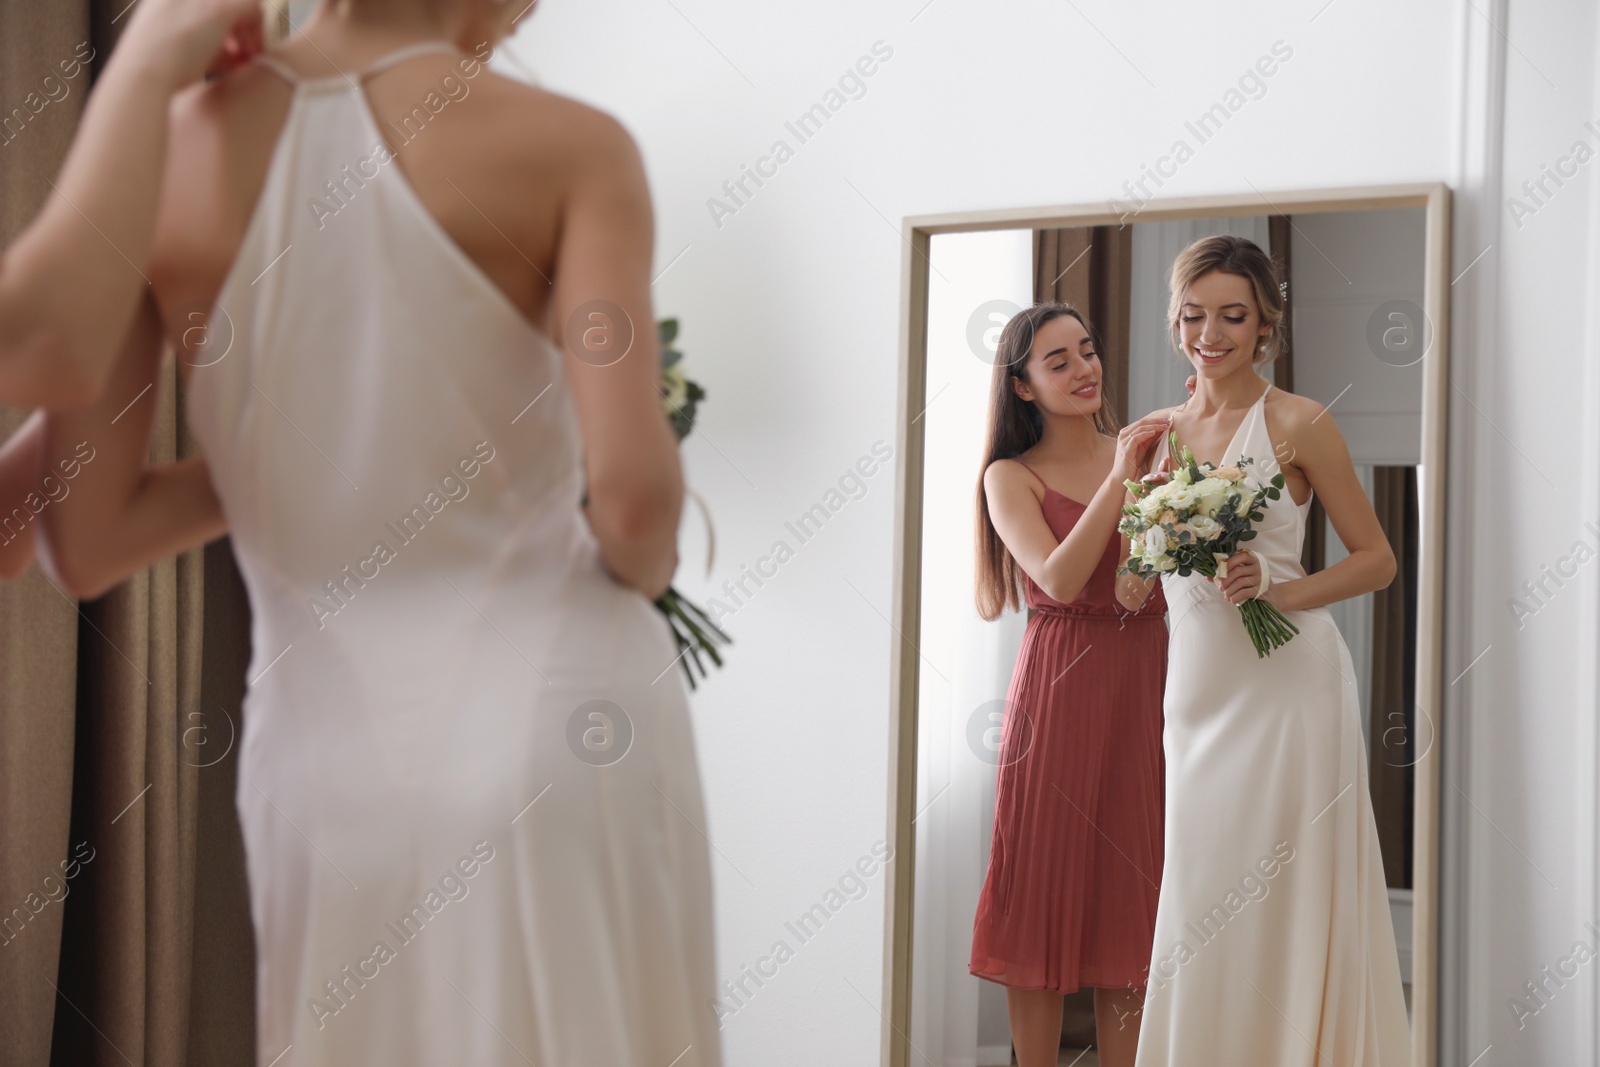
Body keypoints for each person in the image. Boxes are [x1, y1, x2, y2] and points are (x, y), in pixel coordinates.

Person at [1, 1, 722, 1064]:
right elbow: (633, 505)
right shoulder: (574, 146)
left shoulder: (168, 145)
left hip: (324, 760)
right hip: (558, 714)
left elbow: (88, 536)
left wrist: (306, 467)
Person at [1132, 235, 1410, 1066]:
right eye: (1193, 314)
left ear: (1264, 325)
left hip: (1289, 686)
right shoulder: (1159, 432)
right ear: (1174, 321)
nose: (1209, 332)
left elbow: (1378, 558)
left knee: (1284, 881)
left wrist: (1278, 589)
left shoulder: (1297, 420)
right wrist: (1128, 481)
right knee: (1202, 885)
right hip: (1196, 691)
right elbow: (1131, 583)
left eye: (1232, 315)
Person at [969, 301, 1173, 1067]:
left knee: (1134, 893)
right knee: (1041, 883)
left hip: (1150, 679)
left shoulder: (1160, 451)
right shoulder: (1008, 476)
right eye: (1059, 362)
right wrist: (1123, 477)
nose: (1085, 368)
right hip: (1058, 684)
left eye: (1086, 351)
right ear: (1022, 386)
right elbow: (1055, 575)